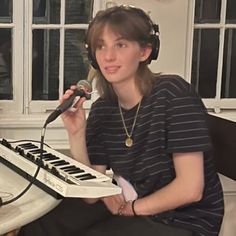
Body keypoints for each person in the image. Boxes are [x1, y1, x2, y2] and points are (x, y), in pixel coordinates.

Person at [17, 5, 224, 236]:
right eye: (101, 46)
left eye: (121, 45)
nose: (108, 56)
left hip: (184, 220)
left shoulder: (173, 93)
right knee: (41, 225)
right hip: (135, 204)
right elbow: (90, 195)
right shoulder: (103, 109)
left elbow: (190, 189)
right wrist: (76, 132)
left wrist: (130, 209)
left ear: (145, 51)